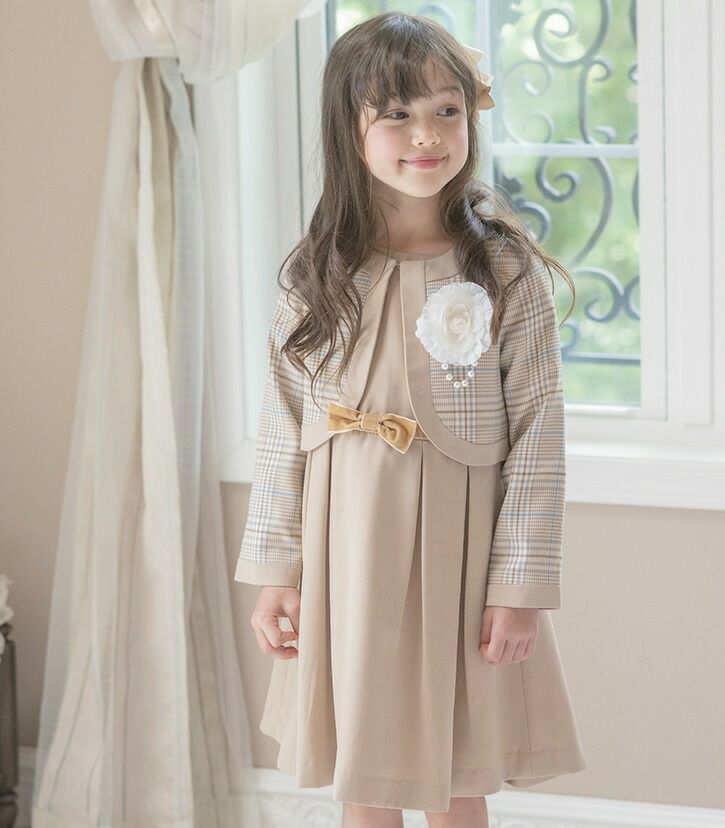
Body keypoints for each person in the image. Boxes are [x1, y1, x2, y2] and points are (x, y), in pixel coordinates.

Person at [234, 11, 587, 827]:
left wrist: (518, 587)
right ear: (349, 127)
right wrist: (277, 573)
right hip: (346, 548)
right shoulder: (318, 272)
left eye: (446, 110)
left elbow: (540, 433)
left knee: (458, 765)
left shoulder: (502, 268)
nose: (426, 134)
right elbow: (282, 427)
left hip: (460, 554)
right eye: (396, 113)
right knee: (364, 767)